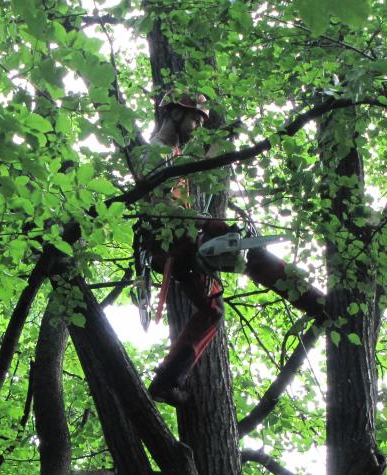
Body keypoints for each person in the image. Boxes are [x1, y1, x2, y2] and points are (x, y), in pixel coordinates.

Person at [137, 94, 324, 405]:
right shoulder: (154, 152)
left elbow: (199, 168)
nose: (197, 126)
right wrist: (206, 223)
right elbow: (162, 204)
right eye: (194, 119)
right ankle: (317, 302)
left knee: (212, 310)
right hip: (168, 240)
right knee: (247, 252)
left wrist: (221, 145)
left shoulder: (175, 155)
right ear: (174, 114)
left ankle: (166, 382)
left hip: (177, 241)